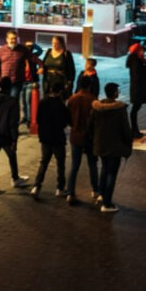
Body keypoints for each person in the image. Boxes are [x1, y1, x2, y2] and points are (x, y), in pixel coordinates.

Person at [90, 82, 132, 213]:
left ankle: (102, 194)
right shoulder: (120, 110)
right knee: (111, 173)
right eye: (117, 91)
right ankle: (107, 203)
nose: (118, 93)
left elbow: (90, 126)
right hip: (115, 145)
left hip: (101, 145)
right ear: (114, 93)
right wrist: (128, 145)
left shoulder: (97, 108)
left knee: (104, 169)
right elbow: (126, 129)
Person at [0, 77, 28, 194]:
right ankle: (15, 178)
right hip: (6, 135)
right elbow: (13, 123)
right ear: (9, 87)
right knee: (12, 156)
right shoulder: (12, 102)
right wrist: (14, 139)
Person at [31, 82, 70, 198]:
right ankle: (60, 188)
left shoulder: (43, 102)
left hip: (45, 138)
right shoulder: (60, 105)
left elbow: (38, 119)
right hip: (57, 137)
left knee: (44, 162)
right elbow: (65, 121)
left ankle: (37, 186)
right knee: (60, 164)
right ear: (59, 92)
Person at [64, 75, 98, 206]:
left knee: (75, 165)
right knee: (92, 164)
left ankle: (70, 192)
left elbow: (68, 118)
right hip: (89, 136)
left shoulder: (72, 99)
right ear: (89, 85)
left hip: (75, 135)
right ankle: (96, 190)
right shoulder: (93, 100)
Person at [0, 30, 30, 120]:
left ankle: (14, 122)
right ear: (7, 39)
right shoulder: (1, 50)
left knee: (13, 101)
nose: (13, 41)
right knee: (5, 102)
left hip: (17, 81)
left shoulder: (22, 49)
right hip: (5, 82)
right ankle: (5, 122)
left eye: (15, 38)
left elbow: (33, 57)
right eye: (11, 39)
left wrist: (42, 66)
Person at [124, 43, 146, 137]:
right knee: (135, 110)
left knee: (135, 109)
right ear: (138, 51)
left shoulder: (137, 60)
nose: (143, 51)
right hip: (137, 89)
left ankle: (134, 130)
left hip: (137, 88)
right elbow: (138, 76)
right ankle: (134, 130)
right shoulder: (136, 62)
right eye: (141, 49)